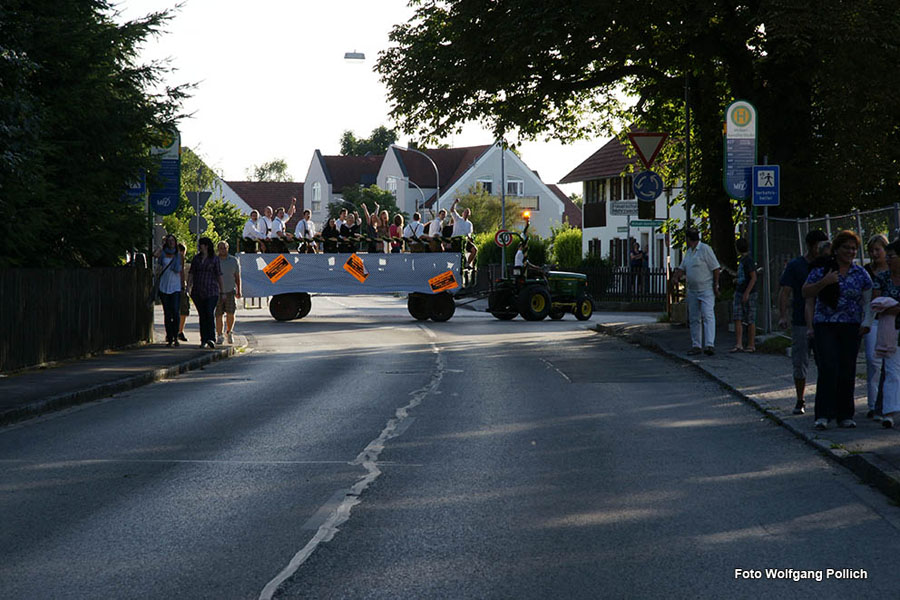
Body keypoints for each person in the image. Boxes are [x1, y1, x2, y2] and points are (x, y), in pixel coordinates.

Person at [802, 230, 873, 430]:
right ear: (837, 249)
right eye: (846, 248)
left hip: (850, 325)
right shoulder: (823, 269)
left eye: (853, 249)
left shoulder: (860, 273)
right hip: (826, 323)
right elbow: (805, 291)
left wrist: (866, 322)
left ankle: (845, 415)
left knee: (847, 369)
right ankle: (824, 414)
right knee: (828, 367)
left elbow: (868, 300)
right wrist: (824, 282)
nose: (850, 252)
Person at [778, 229, 829, 415]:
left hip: (824, 320)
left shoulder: (828, 265)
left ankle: (825, 399)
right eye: (819, 245)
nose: (822, 249)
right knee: (800, 361)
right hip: (800, 320)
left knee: (825, 361)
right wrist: (783, 315)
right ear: (810, 246)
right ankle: (800, 399)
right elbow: (785, 291)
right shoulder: (796, 265)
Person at [670, 228, 721, 356]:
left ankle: (709, 344)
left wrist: (715, 285)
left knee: (707, 315)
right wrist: (676, 277)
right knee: (694, 318)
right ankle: (696, 345)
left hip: (706, 289)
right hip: (692, 290)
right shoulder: (689, 252)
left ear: (688, 239)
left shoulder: (705, 249)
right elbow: (682, 268)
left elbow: (715, 268)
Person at [872, 239, 900, 428]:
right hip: (889, 329)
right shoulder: (882, 277)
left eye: (892, 256)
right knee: (891, 370)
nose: (888, 260)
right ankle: (888, 412)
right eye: (887, 256)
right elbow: (875, 302)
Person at [864, 234, 889, 420]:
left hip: (890, 320)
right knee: (873, 361)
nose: (874, 254)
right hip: (872, 319)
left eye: (877, 250)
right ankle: (872, 405)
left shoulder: (893, 270)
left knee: (889, 364)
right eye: (871, 251)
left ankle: (886, 403)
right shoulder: (867, 271)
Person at [188, 237, 225, 349]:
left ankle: (211, 338)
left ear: (206, 246)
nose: (200, 247)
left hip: (211, 290)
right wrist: (188, 287)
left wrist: (222, 291)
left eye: (201, 245)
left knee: (209, 313)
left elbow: (219, 275)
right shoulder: (196, 259)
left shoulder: (214, 259)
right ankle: (203, 339)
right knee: (202, 315)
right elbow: (191, 273)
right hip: (198, 291)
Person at [153, 234, 184, 347]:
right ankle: (169, 337)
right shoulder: (163, 253)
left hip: (175, 286)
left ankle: (175, 336)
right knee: (167, 313)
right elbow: (154, 255)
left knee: (175, 312)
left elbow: (182, 271)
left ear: (176, 242)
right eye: (169, 241)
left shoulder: (179, 255)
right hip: (164, 286)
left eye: (173, 240)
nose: (171, 242)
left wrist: (182, 286)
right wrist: (161, 245)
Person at [731, 237, 758, 353]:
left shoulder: (748, 261)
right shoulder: (742, 260)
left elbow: (753, 277)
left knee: (750, 318)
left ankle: (751, 344)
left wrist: (747, 292)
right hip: (740, 290)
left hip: (748, 292)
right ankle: (739, 344)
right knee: (738, 317)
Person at [215, 241, 241, 345]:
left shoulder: (233, 261)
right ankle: (219, 335)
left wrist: (239, 290)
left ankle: (229, 332)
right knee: (218, 314)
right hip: (217, 292)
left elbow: (237, 276)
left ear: (228, 248)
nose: (223, 250)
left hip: (230, 290)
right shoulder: (215, 261)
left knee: (231, 313)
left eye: (224, 248)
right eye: (221, 248)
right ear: (218, 249)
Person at [450, 198, 477, 267]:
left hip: (465, 240)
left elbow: (469, 233)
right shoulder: (457, 219)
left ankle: (467, 263)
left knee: (474, 250)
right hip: (456, 240)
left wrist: (469, 237)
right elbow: (452, 210)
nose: (466, 214)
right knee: (459, 253)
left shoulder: (469, 224)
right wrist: (455, 203)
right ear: (462, 213)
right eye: (465, 212)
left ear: (469, 215)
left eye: (468, 213)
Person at [177, 242, 190, 342]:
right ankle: (179, 331)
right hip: (179, 287)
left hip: (177, 287)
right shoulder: (179, 258)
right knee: (183, 310)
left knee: (180, 310)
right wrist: (184, 286)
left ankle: (177, 331)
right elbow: (182, 273)